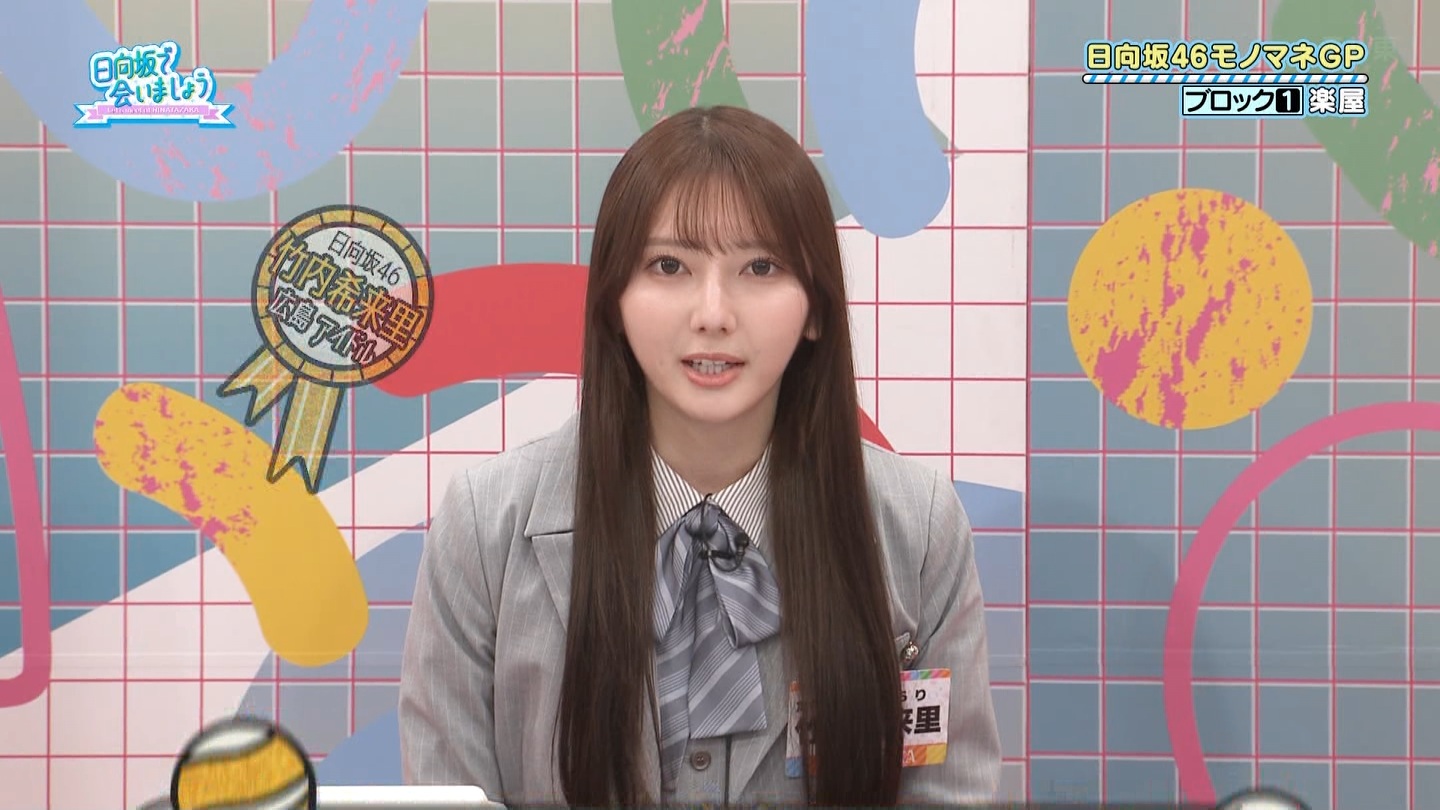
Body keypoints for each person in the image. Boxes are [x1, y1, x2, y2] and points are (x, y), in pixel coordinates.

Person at [398, 104, 1001, 807]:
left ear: (815, 306)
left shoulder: (918, 526)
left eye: (760, 266)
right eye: (669, 265)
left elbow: (950, 792)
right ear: (614, 299)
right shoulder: (485, 524)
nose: (713, 313)